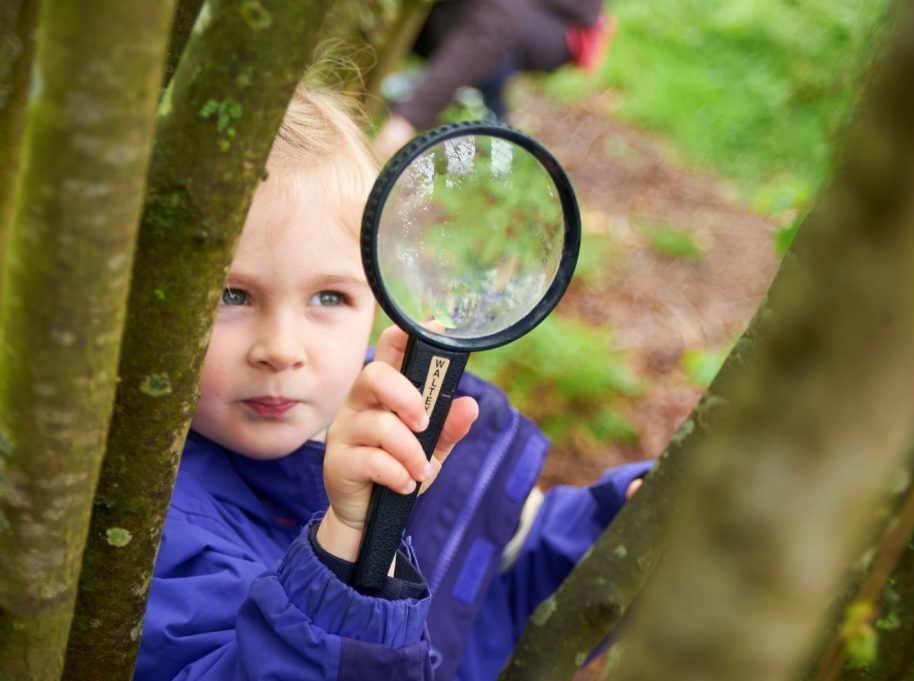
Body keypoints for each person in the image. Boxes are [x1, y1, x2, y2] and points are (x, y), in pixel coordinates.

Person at [135, 81, 647, 681]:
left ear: (377, 303)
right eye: (231, 295)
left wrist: (629, 528)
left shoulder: (423, 429)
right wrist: (354, 542)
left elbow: (509, 577)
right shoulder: (147, 533)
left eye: (329, 296)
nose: (281, 350)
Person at [376, 0, 615, 157]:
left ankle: (485, 104)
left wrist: (405, 121)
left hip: (554, 25)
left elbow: (585, 11)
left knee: (499, 17)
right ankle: (466, 89)